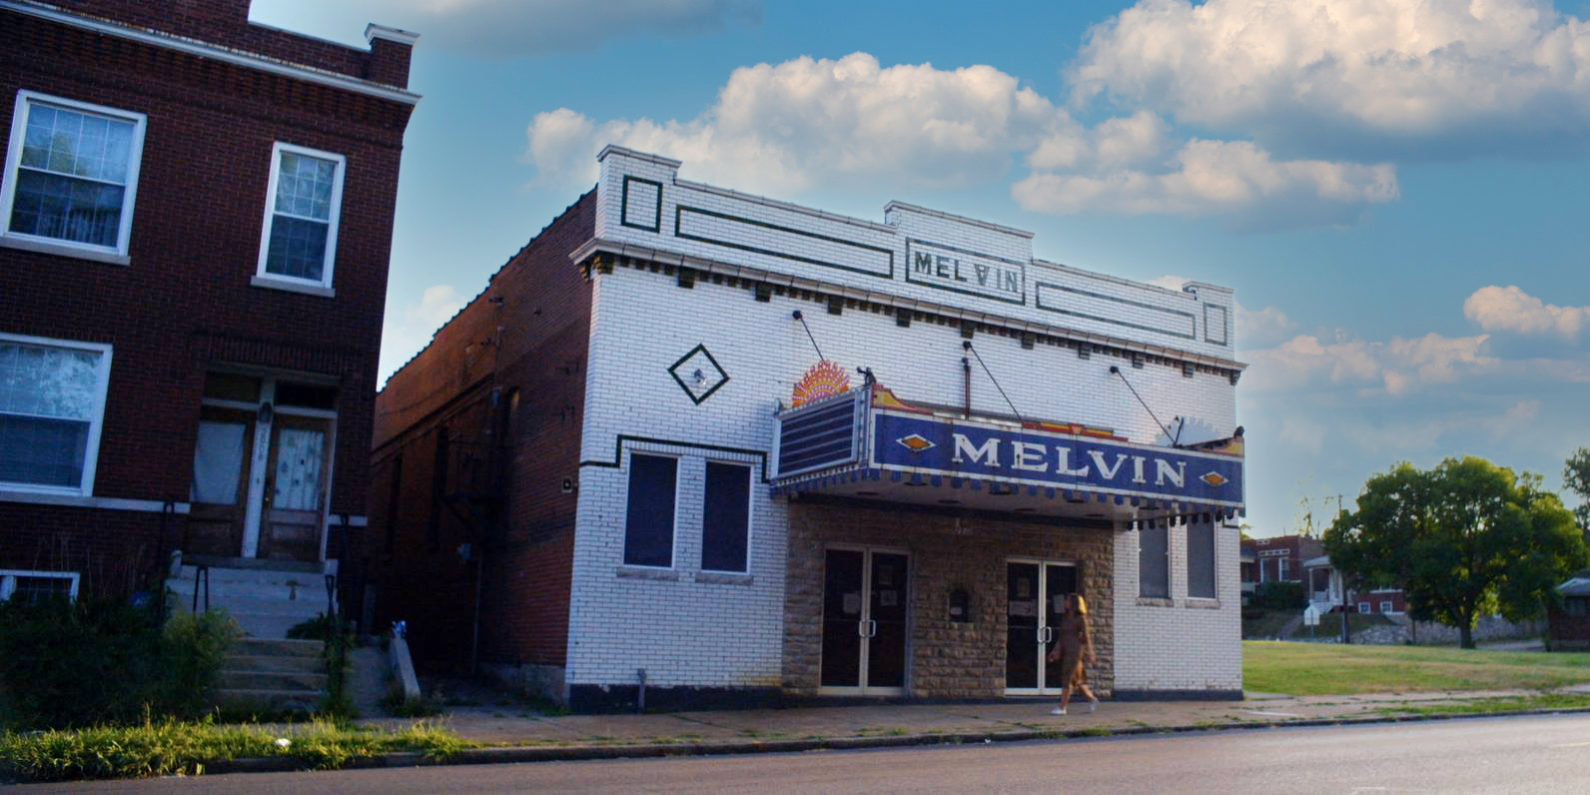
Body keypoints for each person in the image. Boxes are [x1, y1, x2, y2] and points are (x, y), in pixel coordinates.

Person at [1045, 593, 1099, 715]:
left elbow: (1087, 636)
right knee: (1077, 680)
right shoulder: (1065, 618)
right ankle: (1092, 699)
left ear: (1074, 603)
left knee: (1067, 677)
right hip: (1066, 650)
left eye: (1067, 600)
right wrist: (1055, 650)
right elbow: (1061, 637)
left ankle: (1062, 707)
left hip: (1075, 652)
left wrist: (1090, 652)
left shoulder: (1081, 619)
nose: (1065, 602)